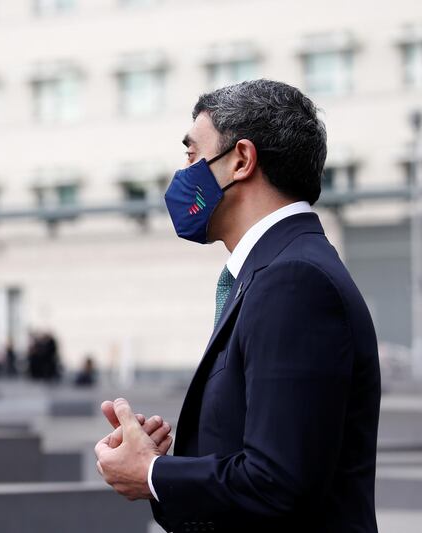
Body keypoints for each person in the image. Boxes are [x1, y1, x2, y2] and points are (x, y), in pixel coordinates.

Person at [94, 80, 380, 533]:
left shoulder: (294, 281)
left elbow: (279, 482)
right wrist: (162, 462)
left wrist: (152, 474)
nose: (183, 175)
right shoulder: (272, 273)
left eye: (192, 156)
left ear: (242, 160)